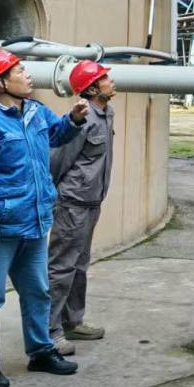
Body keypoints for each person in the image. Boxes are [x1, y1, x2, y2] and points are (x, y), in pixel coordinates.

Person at [0, 48, 88, 387]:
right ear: (2, 83)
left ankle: (41, 351)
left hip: (34, 224)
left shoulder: (35, 112)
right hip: (0, 230)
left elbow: (56, 136)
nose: (28, 74)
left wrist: (73, 119)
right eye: (19, 70)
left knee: (38, 292)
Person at [48, 61, 118, 355]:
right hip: (72, 204)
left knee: (79, 265)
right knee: (61, 267)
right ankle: (49, 332)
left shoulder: (107, 113)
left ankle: (72, 322)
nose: (110, 81)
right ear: (91, 89)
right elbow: (58, 161)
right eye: (104, 78)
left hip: (91, 202)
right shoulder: (83, 118)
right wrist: (56, 197)